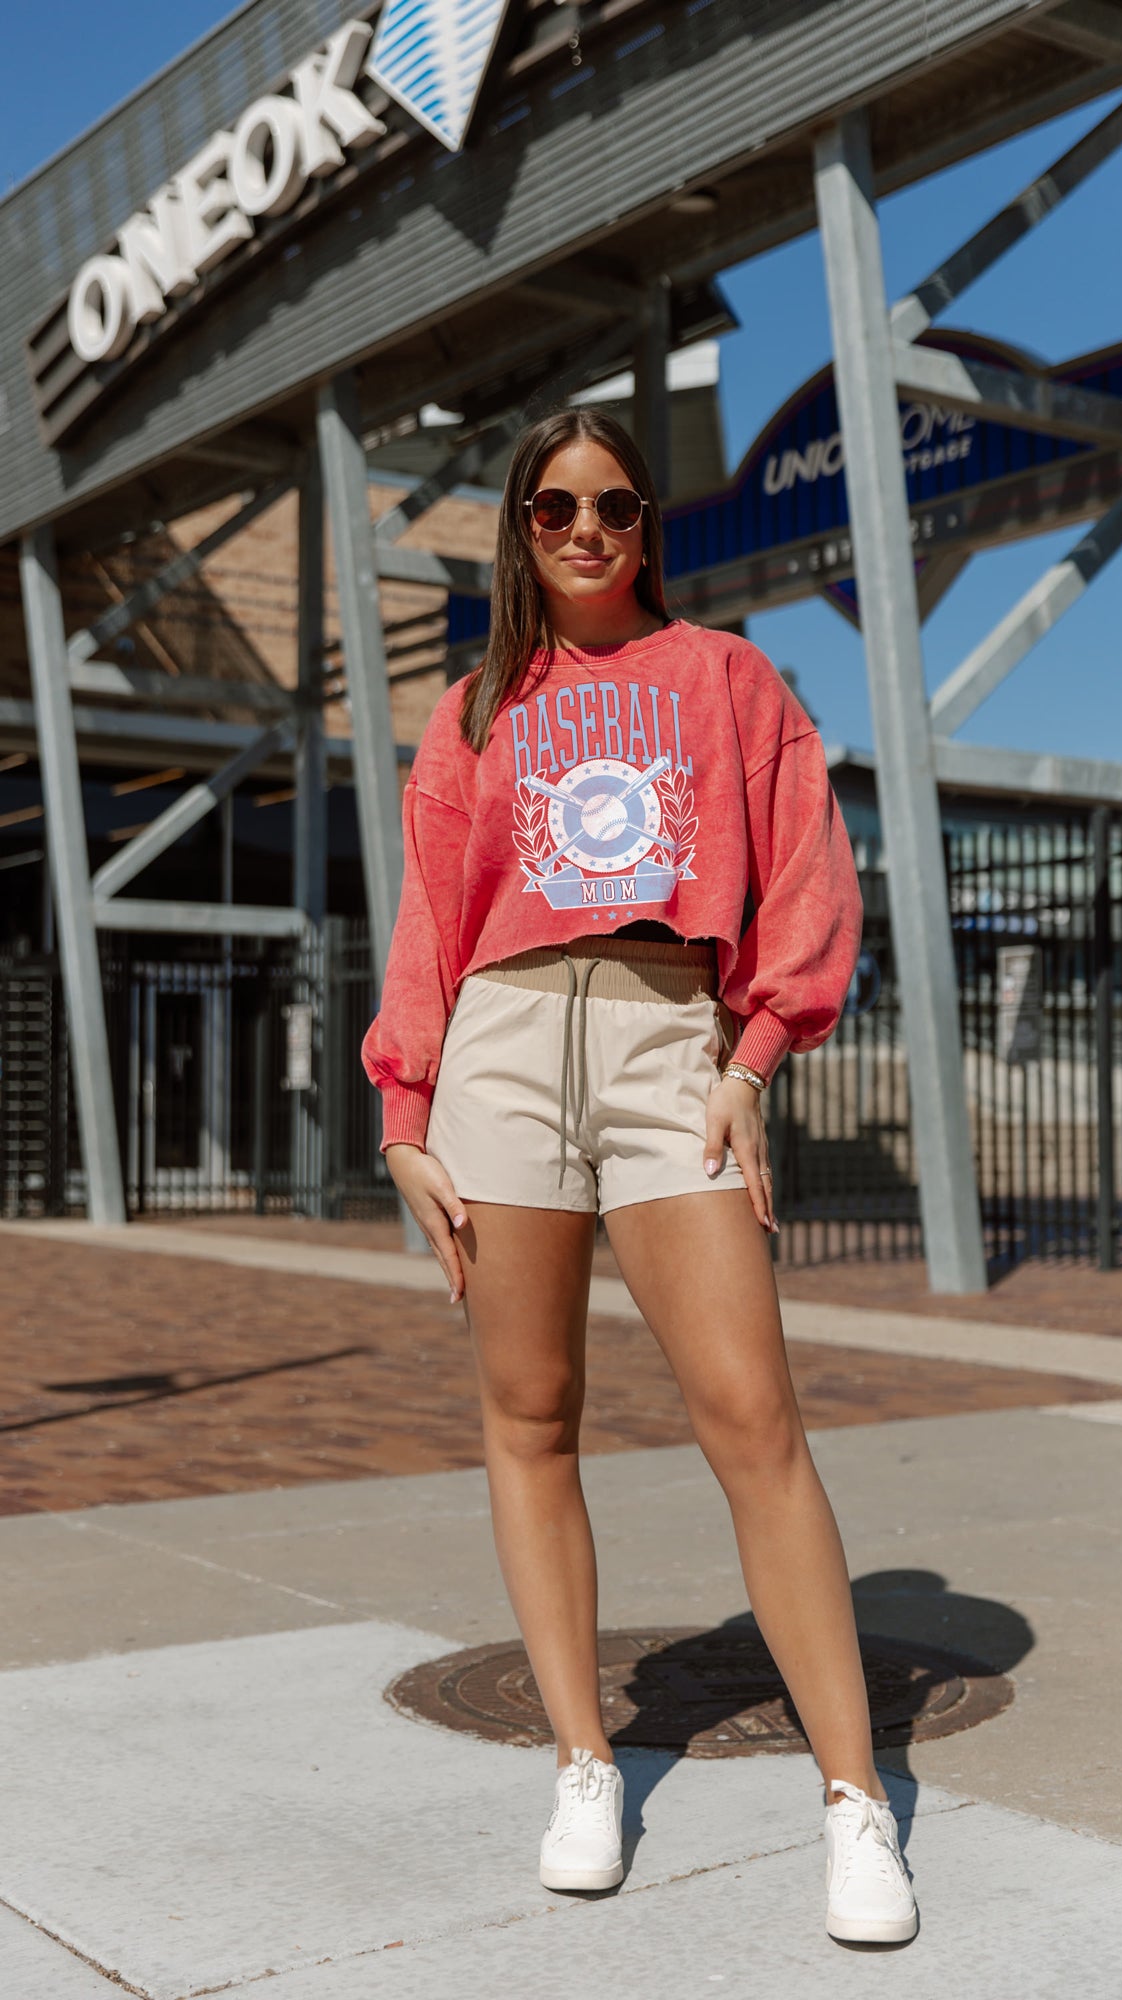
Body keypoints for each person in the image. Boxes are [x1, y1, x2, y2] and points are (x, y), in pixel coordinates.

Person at [362, 408, 917, 1946]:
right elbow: (429, 919)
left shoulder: (727, 679)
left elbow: (805, 880)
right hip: (500, 1050)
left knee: (752, 1418)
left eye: (613, 503)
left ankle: (855, 1800)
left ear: (647, 522)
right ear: (520, 530)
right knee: (530, 1414)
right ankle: (583, 1763)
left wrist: (751, 1062)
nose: (587, 530)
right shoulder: (476, 708)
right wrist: (404, 1110)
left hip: (673, 1037)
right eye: (554, 508)